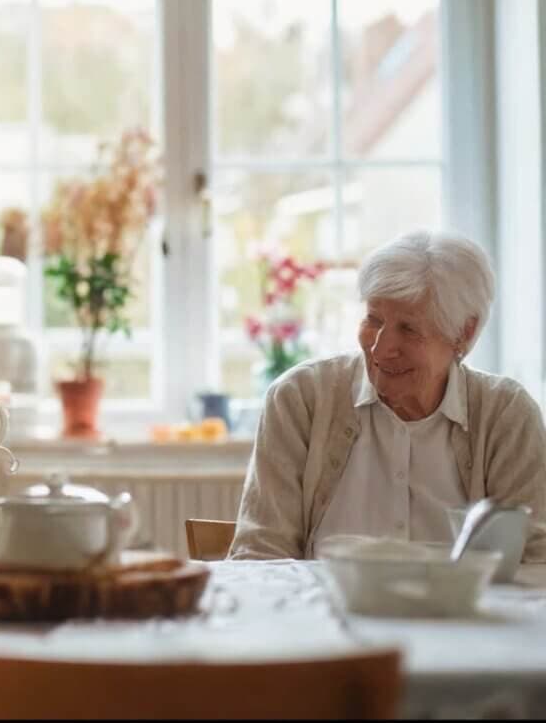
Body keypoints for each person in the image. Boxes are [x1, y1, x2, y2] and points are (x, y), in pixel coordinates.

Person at [229, 230, 546, 563]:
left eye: (408, 329)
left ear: (463, 333)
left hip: (463, 615)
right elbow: (261, 555)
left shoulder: (506, 414)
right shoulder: (300, 398)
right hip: (321, 612)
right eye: (373, 319)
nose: (380, 348)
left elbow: (537, 561)